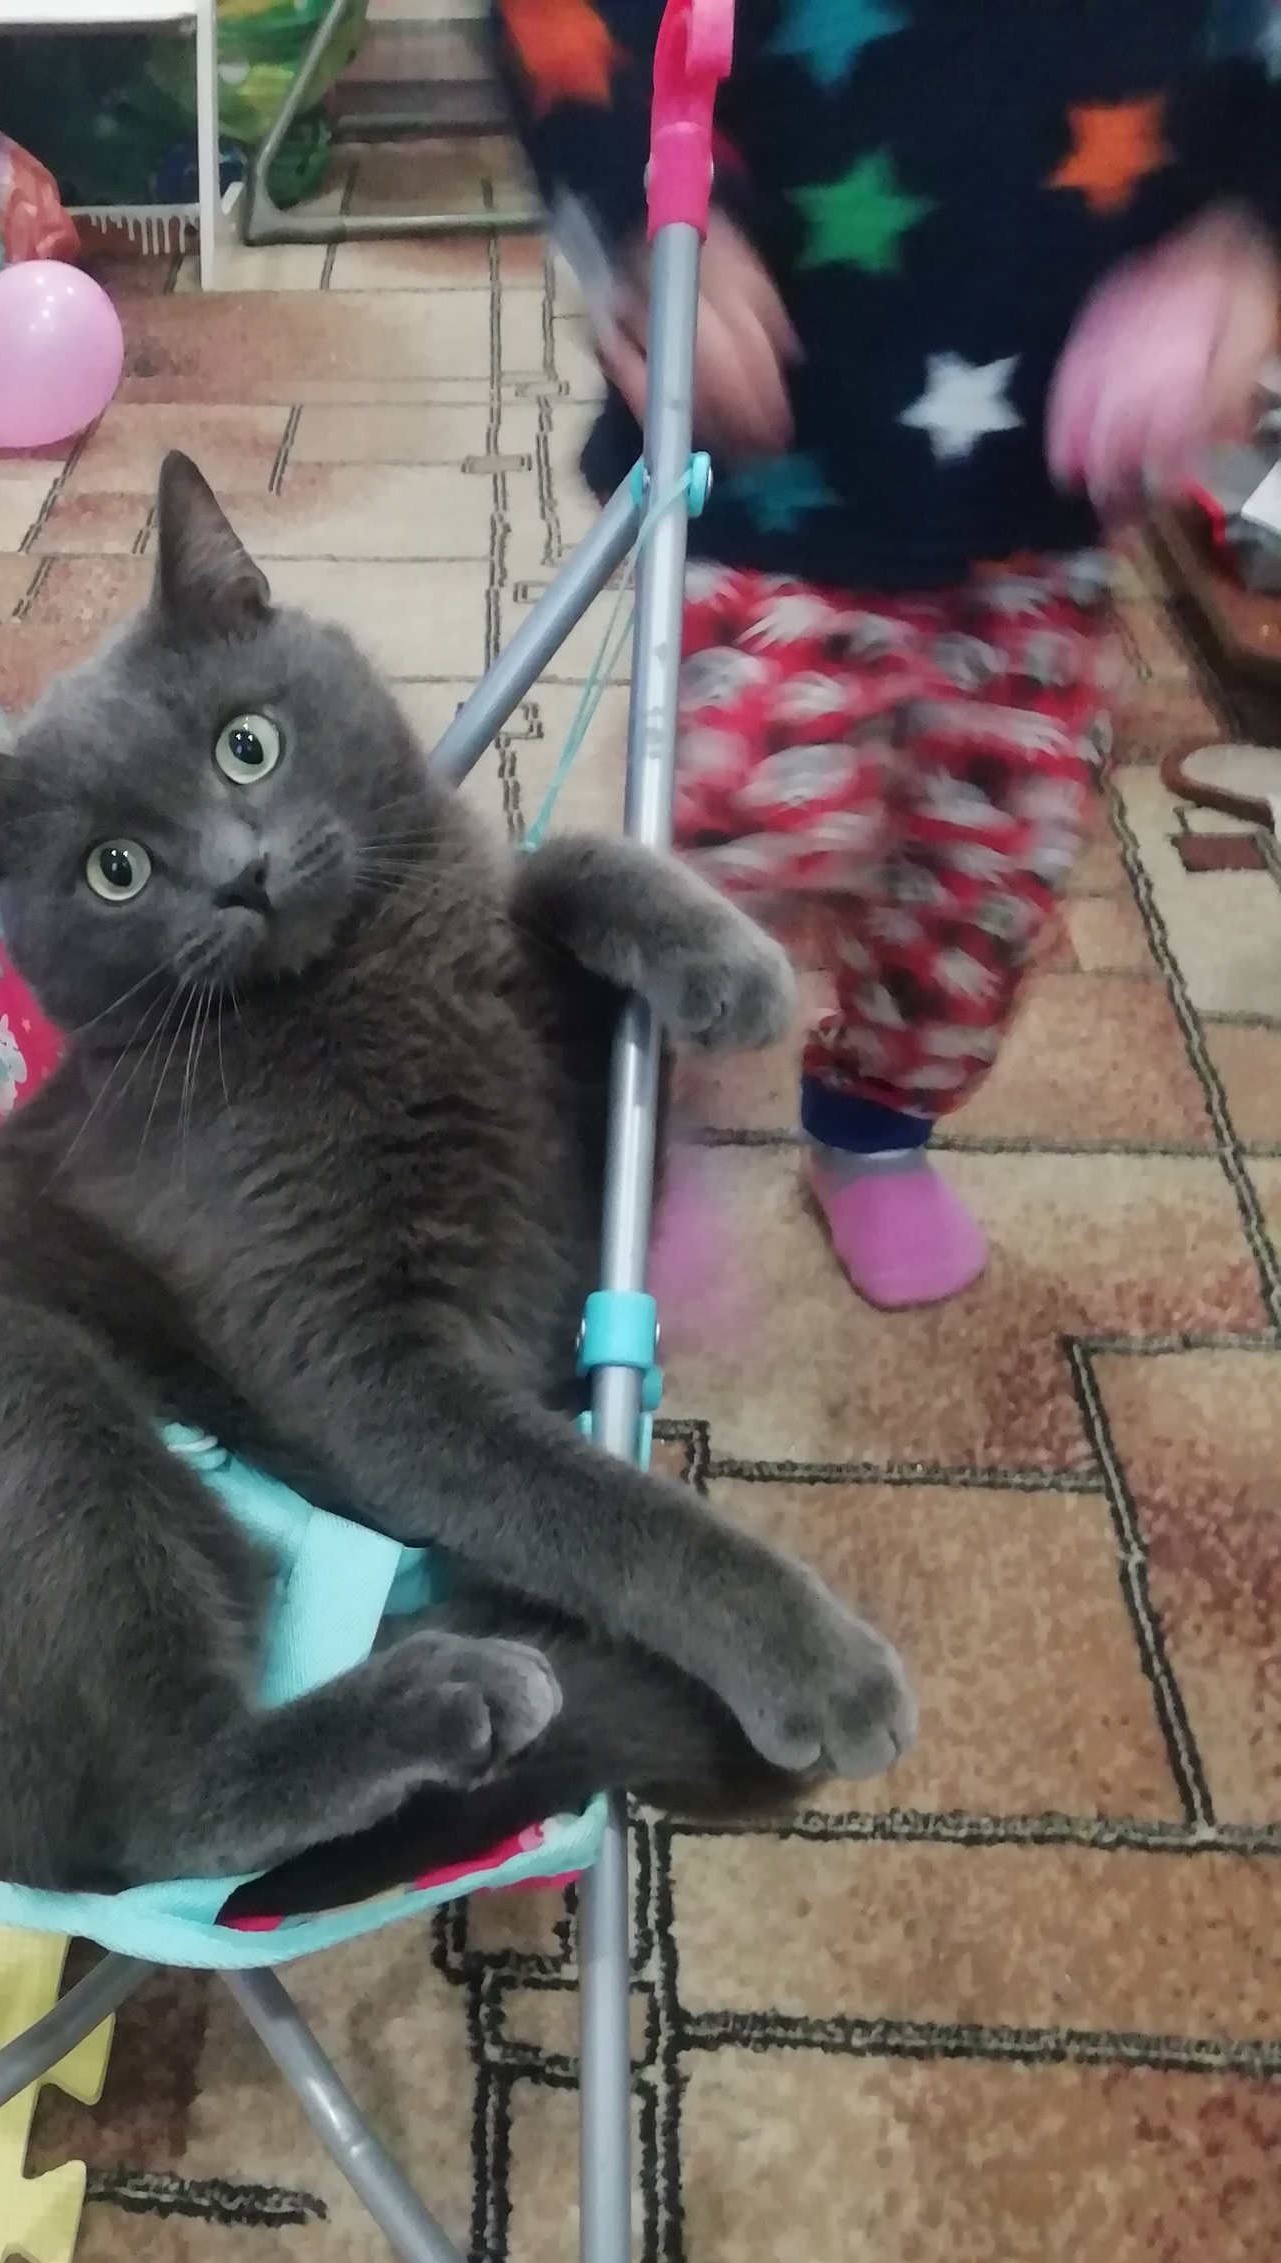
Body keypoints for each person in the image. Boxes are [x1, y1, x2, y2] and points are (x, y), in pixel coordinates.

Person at [496, 0, 1281, 1305]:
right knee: (734, 827)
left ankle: (873, 1126)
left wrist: (1246, 241)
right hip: (772, 453)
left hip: (1046, 494)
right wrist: (640, 215)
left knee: (984, 882)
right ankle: (626, 1124)